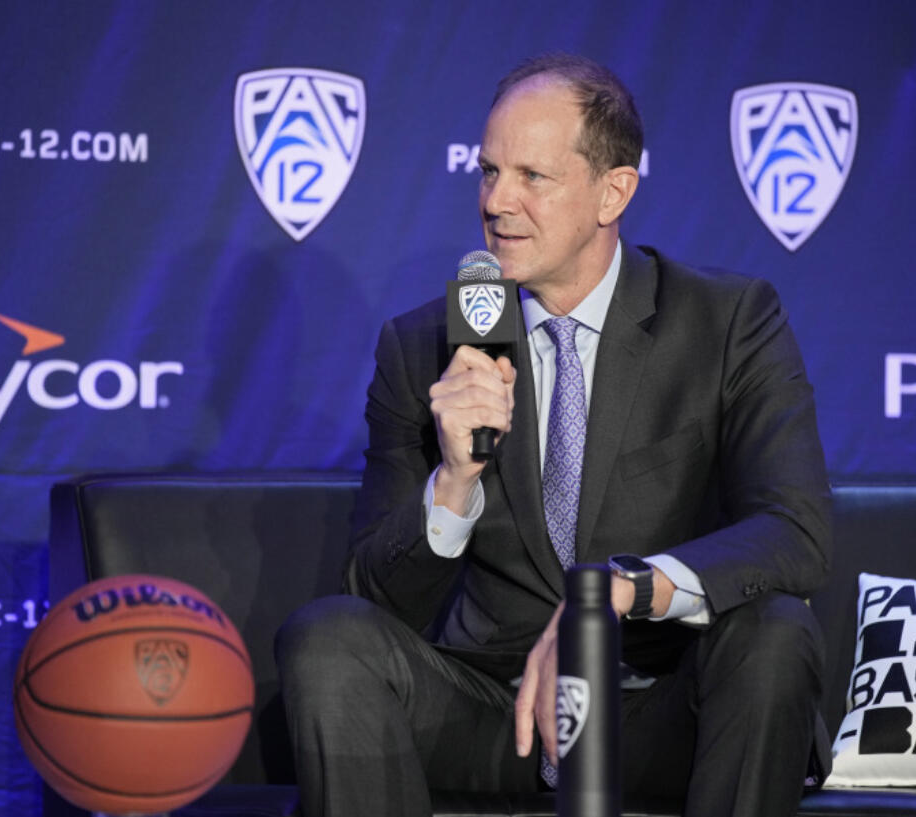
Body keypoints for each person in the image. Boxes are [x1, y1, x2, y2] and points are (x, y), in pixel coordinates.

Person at [276, 53, 832, 817]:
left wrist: (608, 598)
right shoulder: (423, 347)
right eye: (487, 171)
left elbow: (794, 533)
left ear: (614, 191)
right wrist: (454, 481)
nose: (497, 201)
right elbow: (374, 596)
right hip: (486, 715)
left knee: (775, 632)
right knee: (329, 636)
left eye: (532, 176)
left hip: (656, 711)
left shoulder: (726, 322)